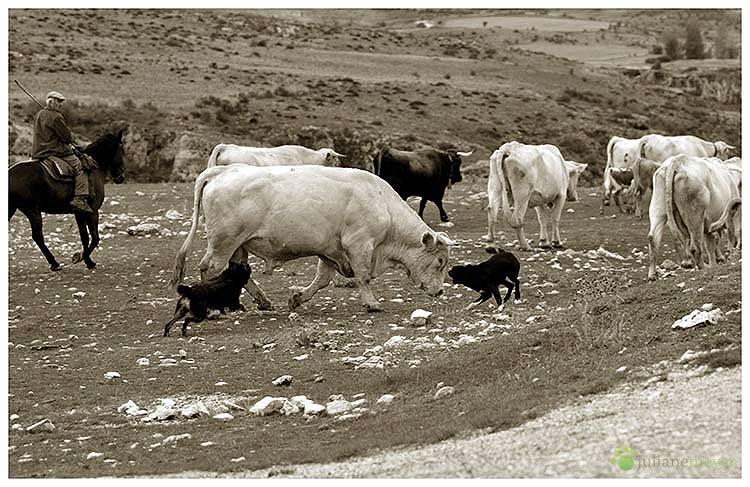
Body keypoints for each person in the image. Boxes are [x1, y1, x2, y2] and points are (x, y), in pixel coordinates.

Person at [31, 91, 93, 214]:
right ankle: (80, 198)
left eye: (61, 102)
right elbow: (66, 138)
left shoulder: (39, 114)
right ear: (51, 101)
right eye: (58, 101)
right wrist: (71, 136)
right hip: (55, 151)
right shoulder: (56, 117)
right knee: (80, 166)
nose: (60, 104)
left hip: (38, 152)